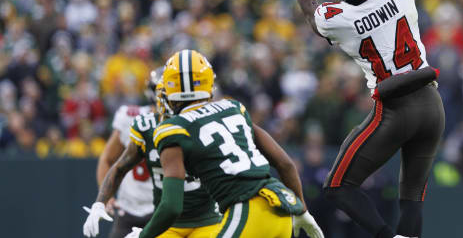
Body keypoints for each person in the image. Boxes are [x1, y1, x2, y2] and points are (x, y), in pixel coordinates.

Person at [287, 0, 445, 238]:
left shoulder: (340, 19)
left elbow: (308, 8)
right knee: (411, 198)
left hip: (395, 108)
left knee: (338, 187)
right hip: (432, 105)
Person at [126, 49, 324, 238]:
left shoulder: (172, 129)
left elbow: (171, 207)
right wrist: (301, 210)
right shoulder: (232, 107)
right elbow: (285, 163)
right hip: (282, 207)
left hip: (247, 212)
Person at [82, 78, 222, 238]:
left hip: (177, 212)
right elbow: (115, 164)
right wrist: (102, 201)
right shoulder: (143, 123)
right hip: (140, 208)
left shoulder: (199, 123)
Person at [83, 69, 161, 238]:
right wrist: (106, 199)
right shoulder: (132, 117)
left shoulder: (183, 122)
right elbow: (108, 159)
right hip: (129, 210)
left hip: (163, 212)